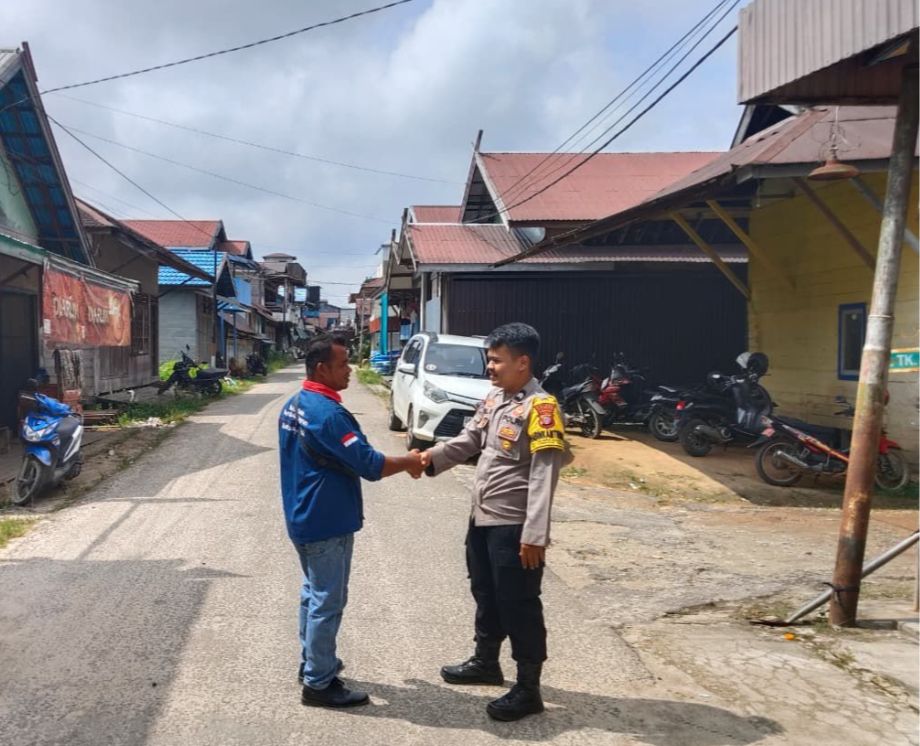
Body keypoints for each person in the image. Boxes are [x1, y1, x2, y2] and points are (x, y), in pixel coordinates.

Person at [419, 322, 564, 721]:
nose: (490, 367)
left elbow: (544, 474)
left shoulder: (542, 408)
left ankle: (528, 689)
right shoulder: (495, 399)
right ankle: (486, 662)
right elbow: (469, 440)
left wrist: (535, 534)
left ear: (523, 362)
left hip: (514, 526)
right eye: (489, 359)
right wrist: (429, 459)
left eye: (497, 360)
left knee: (519, 603)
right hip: (482, 518)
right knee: (485, 591)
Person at [279, 334, 425, 709]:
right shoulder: (328, 415)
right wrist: (410, 461)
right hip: (325, 521)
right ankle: (318, 683)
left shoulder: (296, 404)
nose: (350, 370)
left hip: (301, 515)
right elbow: (370, 465)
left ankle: (313, 663)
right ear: (321, 369)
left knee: (313, 593)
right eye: (343, 364)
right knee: (327, 601)